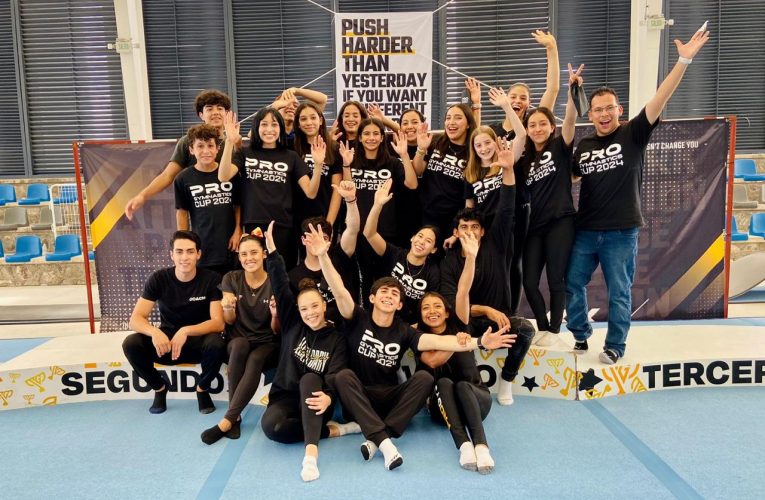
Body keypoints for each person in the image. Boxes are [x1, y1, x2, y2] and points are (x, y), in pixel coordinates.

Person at [310, 223, 515, 471]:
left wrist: (479, 342)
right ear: (372, 298)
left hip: (390, 397)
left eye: (394, 294)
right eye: (384, 291)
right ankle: (385, 443)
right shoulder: (357, 317)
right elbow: (339, 289)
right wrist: (323, 255)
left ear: (400, 305)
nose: (389, 295)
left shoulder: (405, 330)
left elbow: (440, 340)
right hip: (359, 397)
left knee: (425, 379)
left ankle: (377, 435)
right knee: (343, 376)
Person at [566, 29, 710, 364]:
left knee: (619, 292)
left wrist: (683, 60)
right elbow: (569, 176)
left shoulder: (633, 133)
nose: (604, 114)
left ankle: (615, 346)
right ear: (591, 114)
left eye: (609, 108)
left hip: (621, 232)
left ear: (619, 110)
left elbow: (660, 97)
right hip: (585, 230)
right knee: (571, 283)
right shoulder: (585, 145)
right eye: (597, 110)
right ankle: (580, 333)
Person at [440, 134, 535, 406]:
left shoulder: (497, 242)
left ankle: (507, 379)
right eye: (464, 228)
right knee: (452, 332)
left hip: (499, 320)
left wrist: (508, 169)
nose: (470, 231)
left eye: (474, 227)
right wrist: (485, 310)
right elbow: (451, 304)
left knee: (525, 329)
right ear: (457, 233)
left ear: (482, 231)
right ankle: (463, 384)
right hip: (468, 323)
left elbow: (507, 205)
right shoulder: (450, 260)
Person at [261, 221, 359, 483]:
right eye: (304, 309)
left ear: (324, 306)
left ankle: (310, 456)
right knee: (272, 429)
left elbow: (335, 373)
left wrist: (329, 397)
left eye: (315, 306)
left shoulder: (336, 337)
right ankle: (334, 432)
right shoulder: (293, 324)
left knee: (309, 377)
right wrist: (272, 252)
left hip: (318, 400)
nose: (310, 313)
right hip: (285, 397)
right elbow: (280, 285)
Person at [488, 31, 560, 316]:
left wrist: (551, 49)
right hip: (493, 203)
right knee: (493, 260)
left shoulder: (532, 127)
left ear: (528, 104)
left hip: (520, 204)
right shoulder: (493, 130)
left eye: (523, 97)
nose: (517, 99)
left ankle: (512, 316)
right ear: (505, 98)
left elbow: (552, 90)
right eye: (513, 96)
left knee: (515, 261)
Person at [122, 230, 226, 414]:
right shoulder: (158, 278)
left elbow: (218, 323)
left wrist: (185, 331)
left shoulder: (211, 279)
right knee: (131, 343)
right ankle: (159, 388)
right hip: (167, 346)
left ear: (198, 254)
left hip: (198, 345)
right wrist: (155, 332)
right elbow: (135, 319)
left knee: (216, 343)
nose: (184, 257)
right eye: (179, 252)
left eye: (190, 251)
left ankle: (202, 389)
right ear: (171, 255)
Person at [418, 230, 494, 473]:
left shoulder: (460, 323)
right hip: (441, 408)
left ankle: (481, 446)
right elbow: (432, 361)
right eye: (425, 308)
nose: (432, 311)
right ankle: (463, 445)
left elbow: (462, 290)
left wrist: (470, 258)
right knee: (445, 383)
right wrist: (457, 343)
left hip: (476, 401)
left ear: (447, 311)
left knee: (462, 386)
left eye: (437, 306)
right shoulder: (419, 338)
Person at [519, 65, 580, 347]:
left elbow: (571, 119)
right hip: (536, 226)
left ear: (551, 127)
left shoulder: (560, 146)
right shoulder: (525, 160)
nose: (537, 129)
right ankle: (542, 327)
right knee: (529, 282)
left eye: (542, 124)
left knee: (556, 279)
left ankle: (555, 331)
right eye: (532, 125)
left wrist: (573, 90)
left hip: (561, 221)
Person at [218, 107, 323, 268]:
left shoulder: (291, 156)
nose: (269, 129)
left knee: (281, 273)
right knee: (256, 271)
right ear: (256, 127)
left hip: (283, 225)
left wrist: (318, 165)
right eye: (264, 124)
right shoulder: (245, 153)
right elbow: (223, 176)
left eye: (274, 124)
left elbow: (311, 192)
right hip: (254, 223)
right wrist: (229, 142)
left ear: (280, 128)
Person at [200, 233, 279, 445]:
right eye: (244, 254)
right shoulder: (231, 278)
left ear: (264, 254)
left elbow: (276, 330)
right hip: (238, 339)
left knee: (255, 359)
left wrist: (275, 315)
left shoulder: (275, 281)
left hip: (266, 342)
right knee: (240, 346)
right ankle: (233, 417)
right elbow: (229, 320)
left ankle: (229, 419)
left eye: (254, 252)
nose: (249, 258)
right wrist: (228, 308)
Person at [339, 118, 417, 300]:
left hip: (385, 231)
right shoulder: (352, 161)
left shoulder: (393, 163)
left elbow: (412, 184)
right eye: (366, 134)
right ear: (359, 138)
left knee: (386, 281)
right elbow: (348, 190)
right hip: (357, 231)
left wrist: (404, 154)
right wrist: (346, 165)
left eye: (376, 134)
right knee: (363, 279)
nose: (371, 138)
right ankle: (366, 313)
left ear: (382, 138)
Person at [125, 89, 232, 220]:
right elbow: (167, 175)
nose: (215, 112)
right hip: (200, 217)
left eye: (220, 108)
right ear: (201, 115)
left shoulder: (233, 142)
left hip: (230, 215)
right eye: (209, 109)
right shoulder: (187, 142)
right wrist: (142, 196)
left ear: (227, 113)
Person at [363, 178, 439, 325]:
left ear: (434, 250)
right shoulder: (394, 253)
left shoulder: (433, 272)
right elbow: (369, 234)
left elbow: (430, 305)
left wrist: (412, 330)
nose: (421, 242)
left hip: (407, 327)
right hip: (377, 317)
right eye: (420, 236)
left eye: (428, 241)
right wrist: (377, 205)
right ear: (412, 238)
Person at [174, 123, 241, 277]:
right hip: (204, 249)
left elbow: (238, 205)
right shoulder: (182, 179)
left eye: (210, 146)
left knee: (231, 289)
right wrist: (185, 243)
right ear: (191, 149)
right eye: (200, 146)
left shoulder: (230, 173)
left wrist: (238, 230)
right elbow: (182, 213)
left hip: (231, 246)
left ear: (218, 149)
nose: (206, 151)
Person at [290, 180, 361, 321]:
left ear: (330, 240)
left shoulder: (340, 257)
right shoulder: (293, 276)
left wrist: (350, 200)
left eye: (323, 238)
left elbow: (352, 230)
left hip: (346, 326)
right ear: (303, 240)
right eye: (313, 237)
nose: (318, 242)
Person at [414, 103, 478, 246]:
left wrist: (460, 228)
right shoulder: (436, 142)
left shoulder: (473, 152)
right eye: (448, 118)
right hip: (426, 215)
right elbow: (418, 170)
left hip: (453, 221)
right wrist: (421, 149)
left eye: (458, 118)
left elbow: (471, 198)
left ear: (468, 123)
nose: (451, 122)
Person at [463, 88, 526, 230]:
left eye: (487, 143)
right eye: (478, 145)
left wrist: (507, 106)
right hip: (482, 228)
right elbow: (469, 208)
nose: (484, 149)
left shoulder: (506, 161)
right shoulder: (470, 173)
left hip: (506, 227)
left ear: (495, 142)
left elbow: (521, 135)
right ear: (473, 148)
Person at [291, 102, 344, 227]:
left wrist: (329, 223)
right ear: (298, 124)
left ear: (320, 120)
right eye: (303, 119)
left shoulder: (334, 148)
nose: (309, 122)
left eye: (313, 117)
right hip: (295, 218)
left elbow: (336, 190)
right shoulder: (292, 148)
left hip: (323, 216)